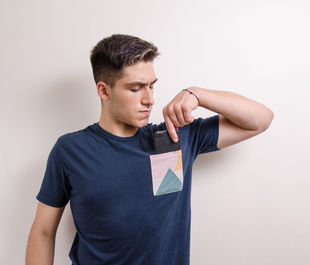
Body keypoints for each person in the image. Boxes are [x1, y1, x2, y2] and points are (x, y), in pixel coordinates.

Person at [25, 34, 274, 265]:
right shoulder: (70, 150)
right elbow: (43, 231)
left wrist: (197, 94)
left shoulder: (175, 135)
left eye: (152, 86)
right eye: (135, 88)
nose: (149, 99)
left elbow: (260, 120)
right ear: (104, 90)